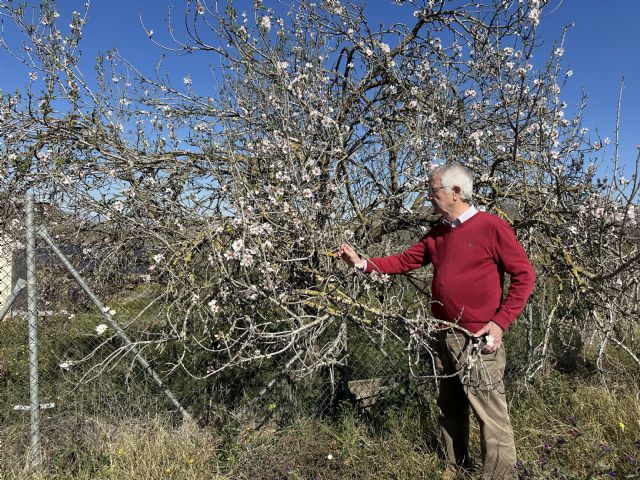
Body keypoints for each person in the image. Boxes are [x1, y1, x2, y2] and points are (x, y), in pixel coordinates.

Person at [338, 163, 535, 479]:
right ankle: (455, 467)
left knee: (491, 414)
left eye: (433, 190)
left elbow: (525, 275)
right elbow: (404, 261)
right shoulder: (439, 233)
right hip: (444, 334)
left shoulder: (492, 227)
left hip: (478, 336)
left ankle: (499, 476)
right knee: (449, 406)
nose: (428, 196)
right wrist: (363, 264)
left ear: (456, 192)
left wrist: (499, 324)